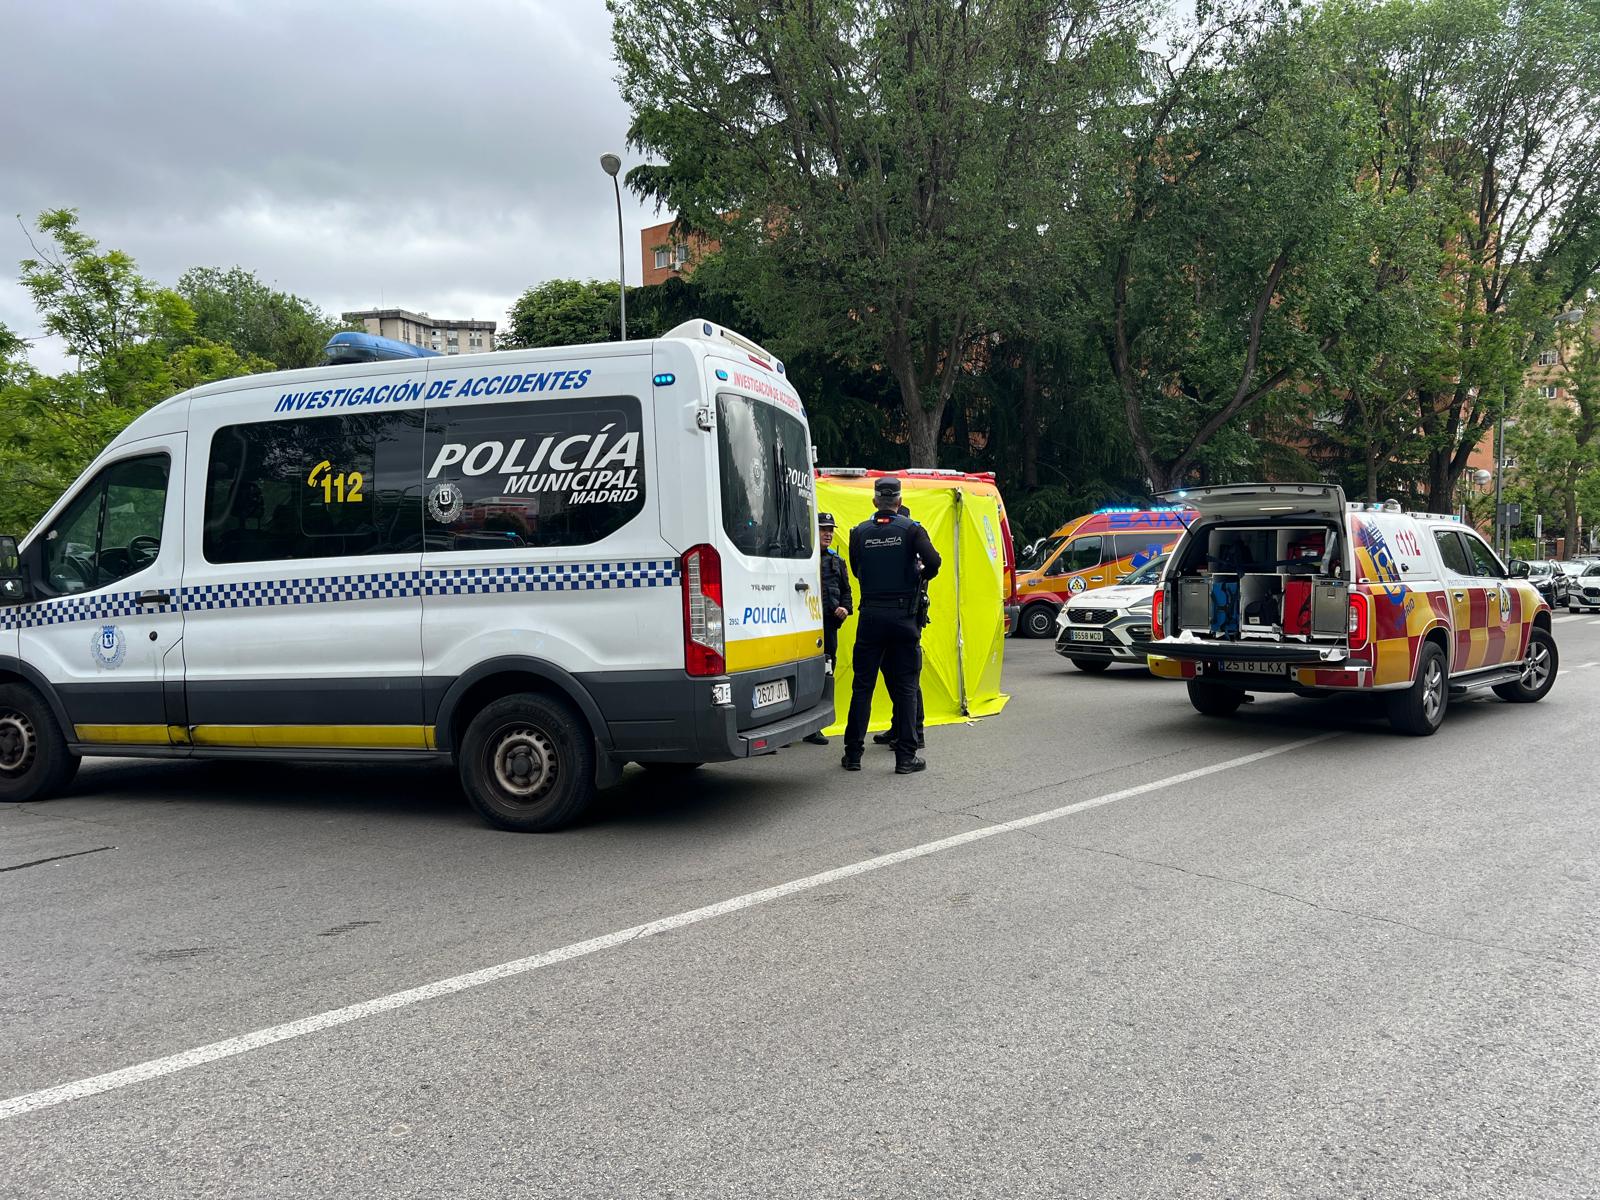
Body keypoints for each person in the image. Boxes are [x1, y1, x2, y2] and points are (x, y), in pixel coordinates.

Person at [842, 477, 941, 774]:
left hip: (870, 616)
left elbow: (856, 570)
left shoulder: (859, 532)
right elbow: (934, 561)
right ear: (899, 501)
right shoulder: (912, 530)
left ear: (875, 502)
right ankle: (906, 757)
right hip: (903, 618)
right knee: (906, 686)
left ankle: (853, 754)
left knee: (862, 686)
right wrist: (920, 576)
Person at [873, 500, 926, 749]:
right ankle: (900, 726)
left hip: (908, 616)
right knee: (893, 675)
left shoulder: (913, 547)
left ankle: (915, 730)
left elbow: (924, 575)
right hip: (896, 616)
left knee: (907, 679)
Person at [803, 512, 852, 746]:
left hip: (829, 627)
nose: (828, 534)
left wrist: (845, 608)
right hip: (803, 628)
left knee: (826, 672)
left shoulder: (837, 561)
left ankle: (815, 727)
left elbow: (847, 591)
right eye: (823, 529)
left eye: (831, 530)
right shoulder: (802, 558)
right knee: (801, 673)